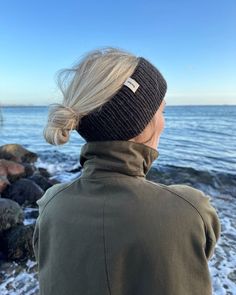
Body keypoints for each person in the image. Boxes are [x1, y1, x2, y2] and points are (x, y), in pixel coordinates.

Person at [32, 47, 221, 295]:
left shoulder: (51, 206)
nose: (164, 121)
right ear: (142, 125)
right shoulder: (191, 208)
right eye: (162, 111)